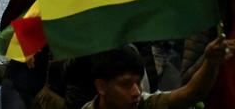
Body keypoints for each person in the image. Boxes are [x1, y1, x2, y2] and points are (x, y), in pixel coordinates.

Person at [84, 38, 235, 109]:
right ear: (101, 86)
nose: (136, 92)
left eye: (138, 82)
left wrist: (211, 63)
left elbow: (190, 94)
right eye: (126, 84)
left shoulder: (145, 104)